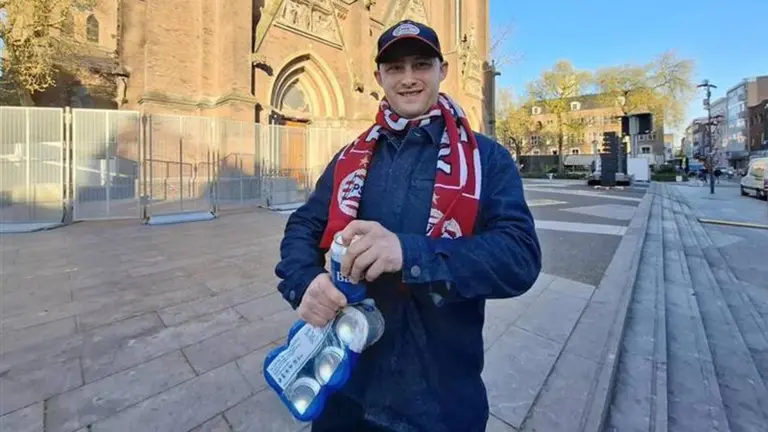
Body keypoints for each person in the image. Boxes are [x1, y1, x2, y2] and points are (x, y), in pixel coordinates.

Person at [275, 19, 542, 432]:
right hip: (344, 394)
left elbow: (519, 257)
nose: (409, 79)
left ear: (442, 70)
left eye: (421, 64)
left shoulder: (486, 159)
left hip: (436, 402)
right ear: (379, 76)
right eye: (395, 68)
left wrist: (409, 253)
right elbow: (303, 226)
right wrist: (303, 281)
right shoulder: (350, 157)